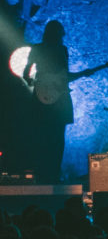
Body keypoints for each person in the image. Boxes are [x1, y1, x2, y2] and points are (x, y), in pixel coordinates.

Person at [23, 20, 74, 183]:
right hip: (60, 99)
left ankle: (40, 174)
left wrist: (35, 83)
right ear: (60, 34)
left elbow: (26, 73)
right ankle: (54, 174)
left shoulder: (37, 48)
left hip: (40, 96)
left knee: (40, 135)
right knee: (58, 138)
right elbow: (65, 75)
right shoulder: (62, 50)